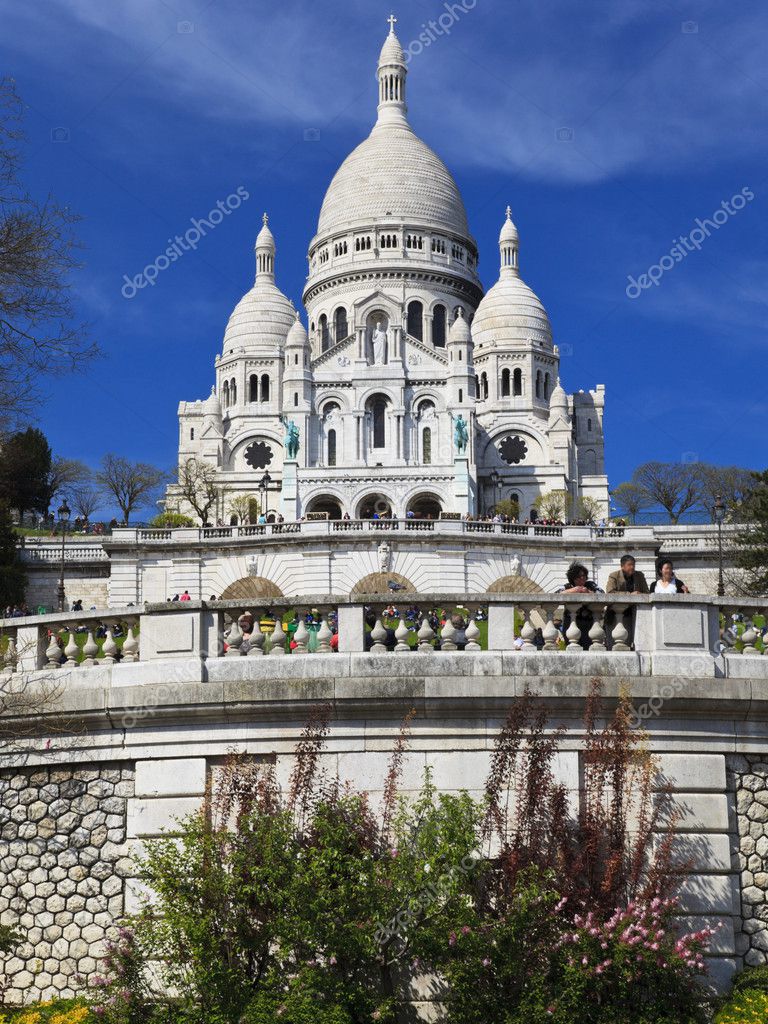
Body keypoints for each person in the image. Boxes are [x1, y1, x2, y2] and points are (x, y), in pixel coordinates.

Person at [556, 563, 604, 649]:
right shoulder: (568, 587)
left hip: (589, 623)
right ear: (573, 578)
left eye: (584, 575)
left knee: (588, 646)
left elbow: (601, 593)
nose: (582, 578)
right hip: (571, 623)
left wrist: (588, 592)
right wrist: (574, 590)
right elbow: (556, 594)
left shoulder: (590, 585)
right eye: (579, 576)